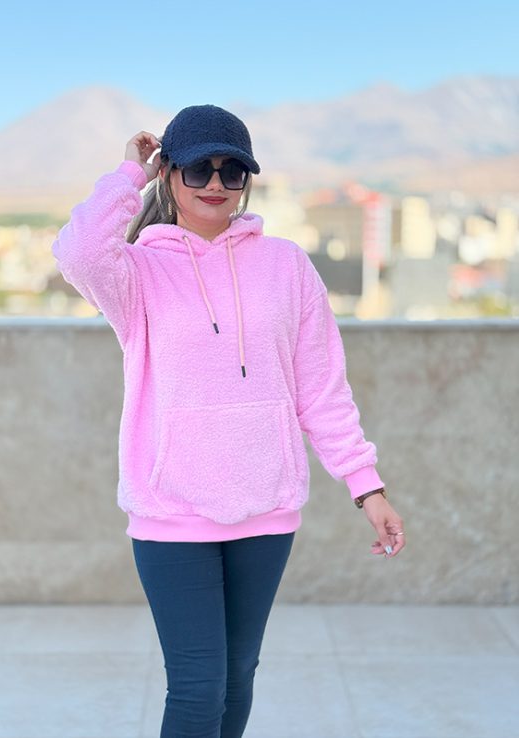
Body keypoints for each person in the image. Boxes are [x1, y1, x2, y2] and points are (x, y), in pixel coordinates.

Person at [52, 104, 405, 738]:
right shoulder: (136, 272)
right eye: (198, 169)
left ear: (246, 180)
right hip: (171, 510)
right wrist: (129, 174)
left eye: (232, 170)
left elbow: (321, 389)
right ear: (170, 175)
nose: (216, 183)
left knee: (238, 675)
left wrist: (366, 486)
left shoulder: (287, 266)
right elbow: (77, 251)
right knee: (197, 687)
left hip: (265, 507)